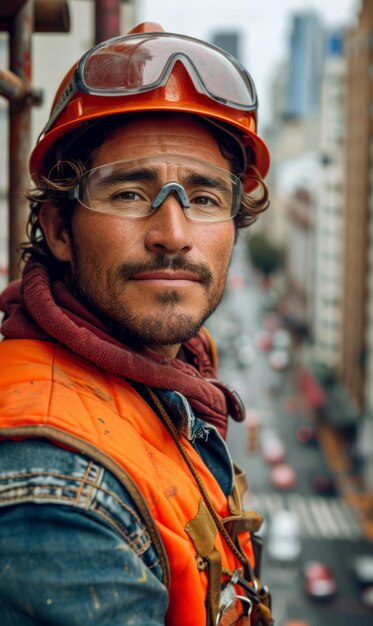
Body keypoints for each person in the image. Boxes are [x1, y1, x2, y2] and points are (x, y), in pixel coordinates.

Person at [0, 21, 272, 626]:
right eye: (127, 193)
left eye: (204, 198)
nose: (173, 236)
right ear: (60, 229)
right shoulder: (54, 485)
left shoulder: (161, 383)